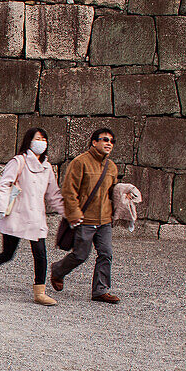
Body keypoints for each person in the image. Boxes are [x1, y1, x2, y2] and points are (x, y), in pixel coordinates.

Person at [0, 129, 64, 306]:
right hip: (17, 215)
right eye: (38, 139)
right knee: (8, 253)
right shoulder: (19, 161)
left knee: (40, 253)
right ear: (29, 141)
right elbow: (5, 184)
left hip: (36, 217)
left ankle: (40, 292)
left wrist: (66, 212)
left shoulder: (46, 167)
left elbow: (53, 194)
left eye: (44, 139)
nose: (41, 142)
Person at [49, 128, 120, 303]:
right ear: (94, 142)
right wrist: (74, 214)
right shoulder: (80, 162)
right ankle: (58, 270)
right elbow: (69, 190)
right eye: (104, 139)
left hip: (104, 220)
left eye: (111, 141)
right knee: (80, 255)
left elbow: (113, 191)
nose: (108, 143)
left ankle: (100, 291)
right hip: (85, 219)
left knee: (106, 253)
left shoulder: (111, 167)